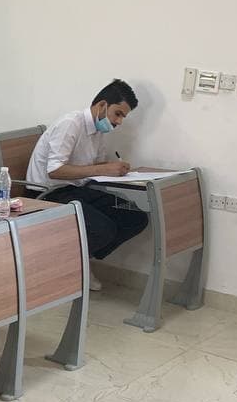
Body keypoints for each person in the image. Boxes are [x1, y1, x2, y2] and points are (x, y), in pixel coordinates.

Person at [26, 79, 150, 291]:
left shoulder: (99, 131)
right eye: (118, 114)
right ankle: (69, 266)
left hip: (76, 190)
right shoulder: (70, 124)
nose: (119, 121)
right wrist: (102, 169)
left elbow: (93, 167)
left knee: (135, 217)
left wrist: (114, 168)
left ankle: (79, 259)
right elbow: (55, 170)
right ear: (102, 105)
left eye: (123, 117)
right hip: (47, 194)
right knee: (103, 229)